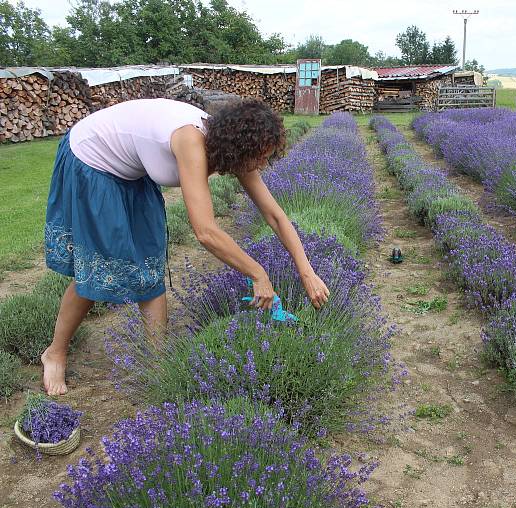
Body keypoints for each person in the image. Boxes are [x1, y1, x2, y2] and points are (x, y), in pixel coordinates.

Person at [41, 98, 329, 395]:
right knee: (101, 268)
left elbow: (275, 215)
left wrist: (306, 272)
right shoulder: (191, 140)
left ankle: (157, 363)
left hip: (133, 172)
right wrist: (258, 273)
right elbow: (205, 231)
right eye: (261, 157)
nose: (263, 165)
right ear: (242, 148)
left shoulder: (232, 149)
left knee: (151, 265)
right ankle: (56, 352)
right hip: (93, 161)